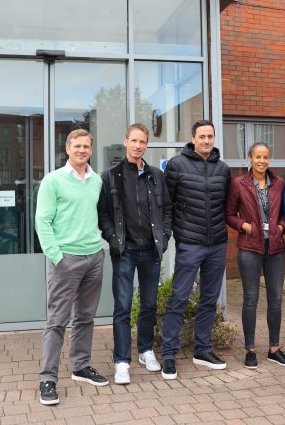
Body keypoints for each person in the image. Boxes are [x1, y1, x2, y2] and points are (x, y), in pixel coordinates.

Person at [35, 129, 109, 406]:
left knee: (86, 317)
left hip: (93, 256)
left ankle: (81, 366)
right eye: (77, 146)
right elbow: (42, 221)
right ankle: (47, 379)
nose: (82, 150)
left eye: (86, 146)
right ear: (67, 149)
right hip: (65, 259)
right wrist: (56, 257)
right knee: (56, 321)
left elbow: (97, 216)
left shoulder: (96, 181)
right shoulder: (53, 181)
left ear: (91, 149)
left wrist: (101, 249)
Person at [98, 124, 172, 385]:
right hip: (125, 251)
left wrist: (164, 238)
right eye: (134, 141)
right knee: (123, 307)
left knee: (149, 304)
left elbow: (167, 210)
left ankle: (145, 350)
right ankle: (121, 361)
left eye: (142, 142)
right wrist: (113, 239)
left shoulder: (156, 176)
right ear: (125, 141)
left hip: (151, 250)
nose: (138, 145)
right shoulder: (111, 176)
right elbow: (104, 214)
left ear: (146, 145)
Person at [160, 119, 232, 380]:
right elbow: (167, 205)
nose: (206, 141)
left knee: (209, 299)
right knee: (179, 297)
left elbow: (225, 205)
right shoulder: (177, 165)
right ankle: (169, 353)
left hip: (217, 244)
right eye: (201, 136)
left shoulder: (223, 170)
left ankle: (203, 350)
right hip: (190, 243)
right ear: (192, 138)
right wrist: (173, 234)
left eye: (210, 136)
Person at [225, 142, 285, 369]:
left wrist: (281, 228)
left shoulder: (279, 183)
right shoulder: (239, 183)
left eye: (265, 157)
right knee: (251, 299)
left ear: (269, 159)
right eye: (257, 157)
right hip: (249, 248)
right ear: (250, 159)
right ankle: (250, 350)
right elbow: (229, 214)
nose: (262, 161)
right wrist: (244, 225)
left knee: (276, 299)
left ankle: (274, 349)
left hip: (274, 248)